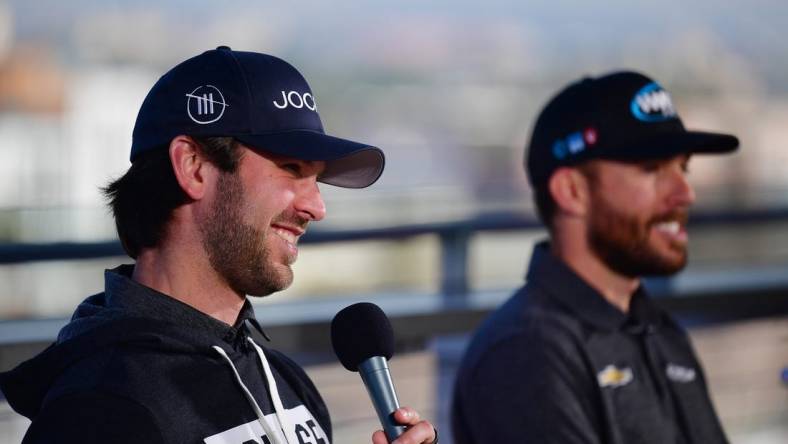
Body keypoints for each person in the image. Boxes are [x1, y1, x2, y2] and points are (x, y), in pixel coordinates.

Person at [0, 46, 436, 444]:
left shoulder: (280, 377)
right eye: (291, 167)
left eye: (317, 180)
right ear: (193, 167)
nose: (317, 207)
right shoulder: (99, 411)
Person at [452, 71, 738, 443]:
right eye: (651, 169)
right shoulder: (524, 353)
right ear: (571, 191)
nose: (685, 193)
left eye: (683, 168)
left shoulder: (660, 331)